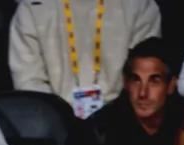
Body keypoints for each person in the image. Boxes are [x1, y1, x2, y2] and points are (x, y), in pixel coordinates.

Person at [9, 0, 161, 119]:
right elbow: (29, 84)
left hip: (122, 123)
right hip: (53, 127)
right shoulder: (32, 7)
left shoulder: (138, 5)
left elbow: (146, 73)